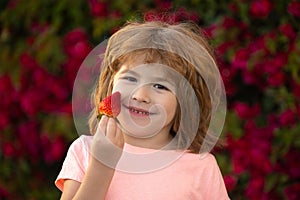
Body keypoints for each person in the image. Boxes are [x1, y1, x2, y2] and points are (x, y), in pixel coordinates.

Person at [55, 20, 230, 200]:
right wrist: (101, 165)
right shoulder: (85, 151)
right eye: (130, 79)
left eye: (159, 86)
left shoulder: (201, 167)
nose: (140, 95)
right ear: (110, 84)